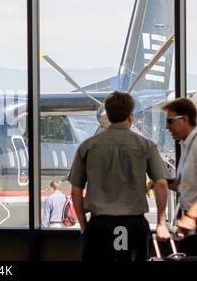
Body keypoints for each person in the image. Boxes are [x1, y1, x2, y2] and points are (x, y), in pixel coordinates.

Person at [68, 91, 170, 261]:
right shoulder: (146, 145)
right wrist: (161, 223)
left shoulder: (87, 146)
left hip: (99, 227)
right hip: (134, 225)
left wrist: (84, 227)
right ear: (131, 116)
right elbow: (161, 184)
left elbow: (75, 191)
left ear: (107, 115)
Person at [160, 97, 197, 255]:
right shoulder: (186, 145)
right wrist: (164, 182)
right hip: (190, 231)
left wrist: (191, 217)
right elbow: (185, 185)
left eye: (170, 121)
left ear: (185, 119)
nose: (167, 126)